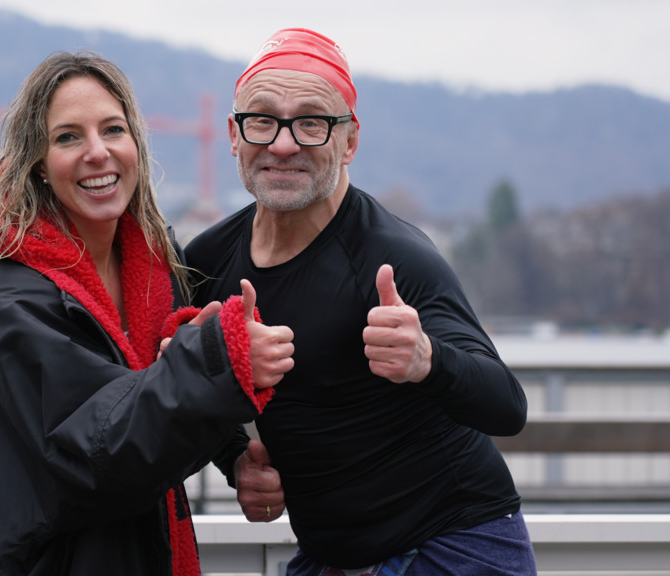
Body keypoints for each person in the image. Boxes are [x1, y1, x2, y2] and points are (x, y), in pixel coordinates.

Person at [187, 29, 537, 575]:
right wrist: (236, 460)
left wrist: (427, 360)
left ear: (348, 142)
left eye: (311, 122)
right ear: (234, 134)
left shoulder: (392, 260)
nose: (283, 144)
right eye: (262, 119)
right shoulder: (209, 260)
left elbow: (507, 406)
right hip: (331, 556)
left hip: (451, 545)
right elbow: (186, 385)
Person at [0, 50, 295, 576]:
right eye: (67, 137)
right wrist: (219, 358)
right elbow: (99, 451)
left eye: (113, 129)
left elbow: (154, 392)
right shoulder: (11, 306)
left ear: (136, 145)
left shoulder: (152, 266)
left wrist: (236, 455)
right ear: (37, 162)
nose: (97, 152)